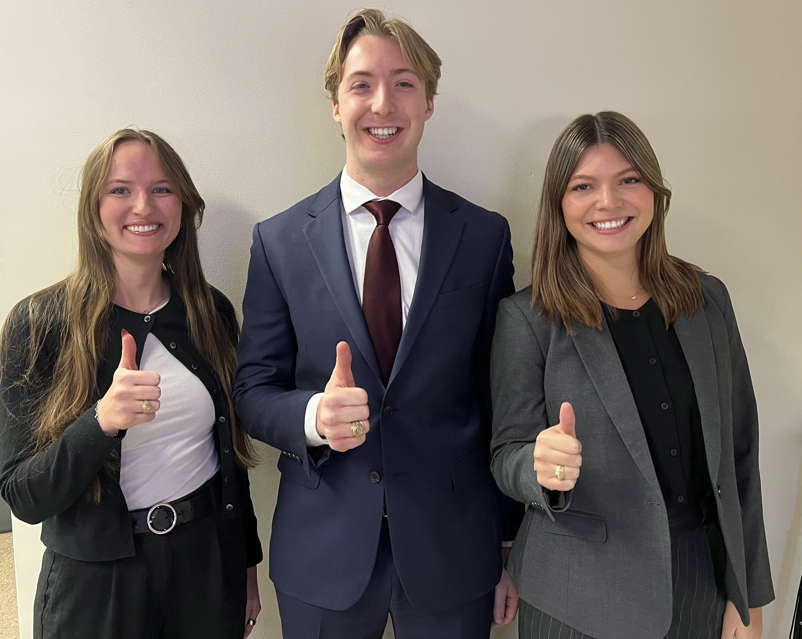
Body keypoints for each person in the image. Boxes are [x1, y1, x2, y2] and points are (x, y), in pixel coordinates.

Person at [234, 8, 521, 638]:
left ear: (429, 103)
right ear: (337, 105)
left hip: (454, 549)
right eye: (361, 84)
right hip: (323, 551)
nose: (383, 103)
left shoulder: (483, 237)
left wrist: (507, 542)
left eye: (404, 83)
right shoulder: (278, 242)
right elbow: (252, 393)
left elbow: (499, 397)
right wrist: (314, 417)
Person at [489, 111, 774, 639]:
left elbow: (740, 456)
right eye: (583, 186)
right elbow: (506, 455)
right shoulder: (527, 319)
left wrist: (748, 593)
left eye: (628, 180)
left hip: (700, 582)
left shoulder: (708, 301)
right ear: (559, 204)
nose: (608, 202)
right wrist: (537, 466)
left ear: (654, 192)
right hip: (576, 598)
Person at [0, 129, 262, 638]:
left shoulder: (210, 312)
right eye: (120, 189)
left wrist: (245, 563)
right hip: (96, 585)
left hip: (206, 568)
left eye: (162, 189)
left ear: (183, 205)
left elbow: (230, 457)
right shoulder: (38, 323)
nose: (144, 205)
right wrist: (100, 422)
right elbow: (22, 496)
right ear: (92, 208)